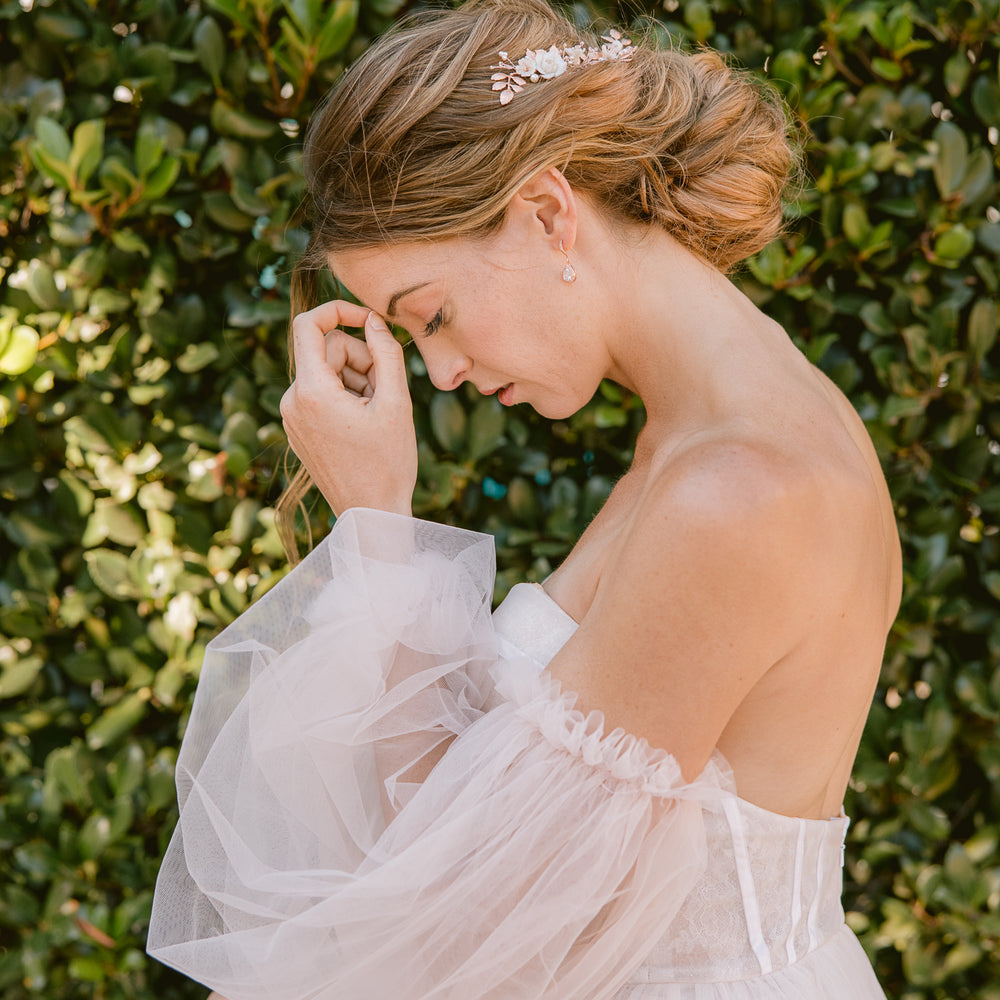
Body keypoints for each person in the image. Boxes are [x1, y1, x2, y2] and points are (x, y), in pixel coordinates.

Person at [147, 1, 901, 996]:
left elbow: (459, 928)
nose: (442, 373)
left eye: (435, 314)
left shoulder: (736, 493)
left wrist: (378, 520)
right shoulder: (716, 430)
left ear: (548, 211)